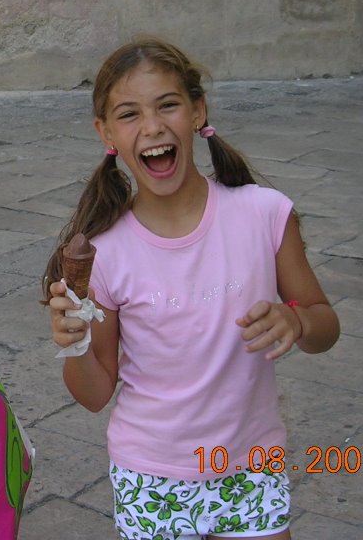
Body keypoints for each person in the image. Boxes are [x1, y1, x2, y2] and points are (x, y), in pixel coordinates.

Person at [44, 37, 340, 540]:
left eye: (168, 105)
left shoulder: (264, 214)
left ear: (198, 111)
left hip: (251, 466)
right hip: (150, 477)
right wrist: (74, 344)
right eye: (129, 114)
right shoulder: (105, 253)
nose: (153, 127)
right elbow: (95, 394)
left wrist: (297, 319)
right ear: (106, 133)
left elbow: (324, 325)